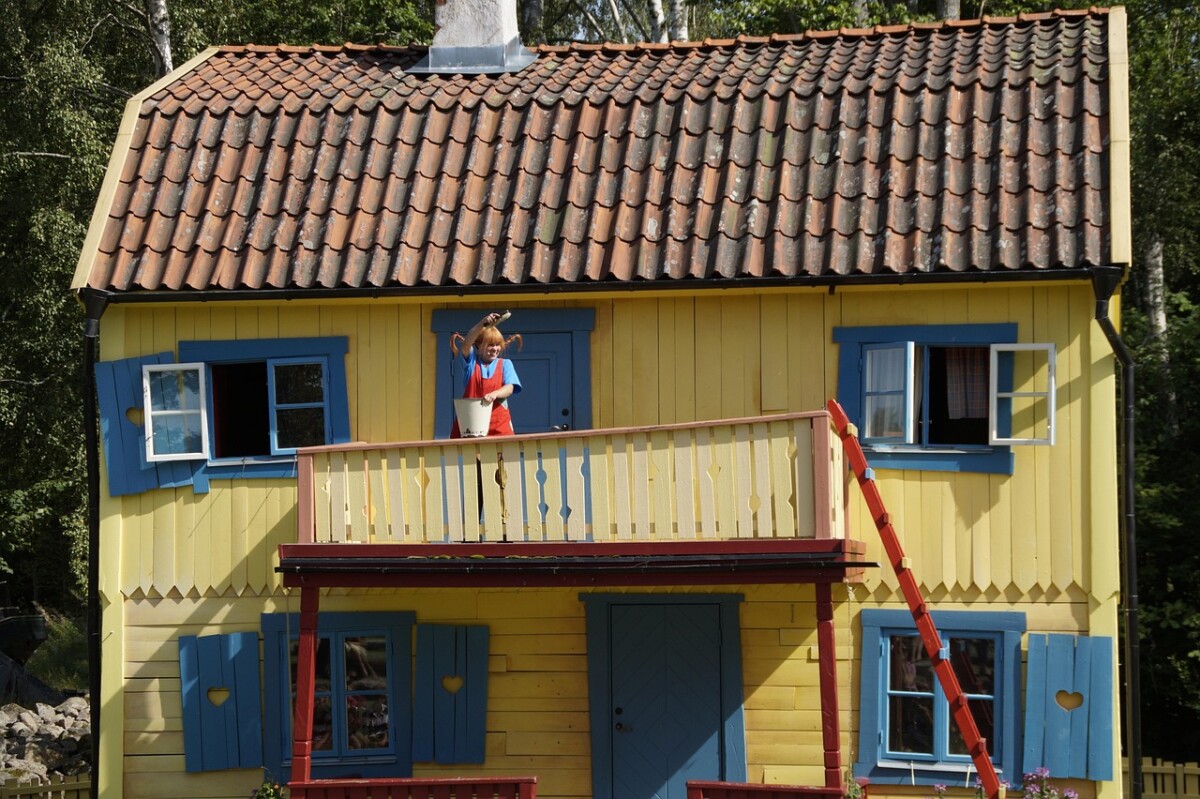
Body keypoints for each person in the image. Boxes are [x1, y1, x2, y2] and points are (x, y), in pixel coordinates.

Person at [450, 312, 522, 437]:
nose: (495, 349)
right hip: (471, 427)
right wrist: (482, 323)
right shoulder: (471, 362)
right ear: (479, 345)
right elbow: (466, 344)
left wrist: (495, 394)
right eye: (490, 345)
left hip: (499, 426)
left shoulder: (505, 364)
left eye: (497, 345)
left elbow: (510, 388)